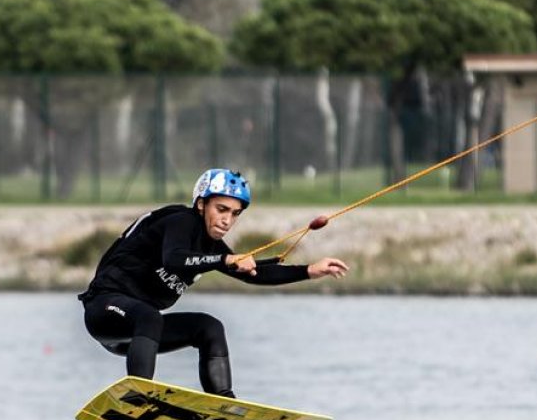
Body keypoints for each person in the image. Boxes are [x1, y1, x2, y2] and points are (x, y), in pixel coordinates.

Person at [78, 168, 349, 398]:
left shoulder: (212, 246)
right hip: (104, 312)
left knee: (208, 327)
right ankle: (140, 398)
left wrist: (310, 270)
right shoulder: (181, 221)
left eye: (234, 214)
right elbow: (174, 260)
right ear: (201, 204)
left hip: (138, 336)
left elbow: (253, 273)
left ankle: (223, 407)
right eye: (221, 209)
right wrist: (225, 260)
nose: (227, 220)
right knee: (149, 316)